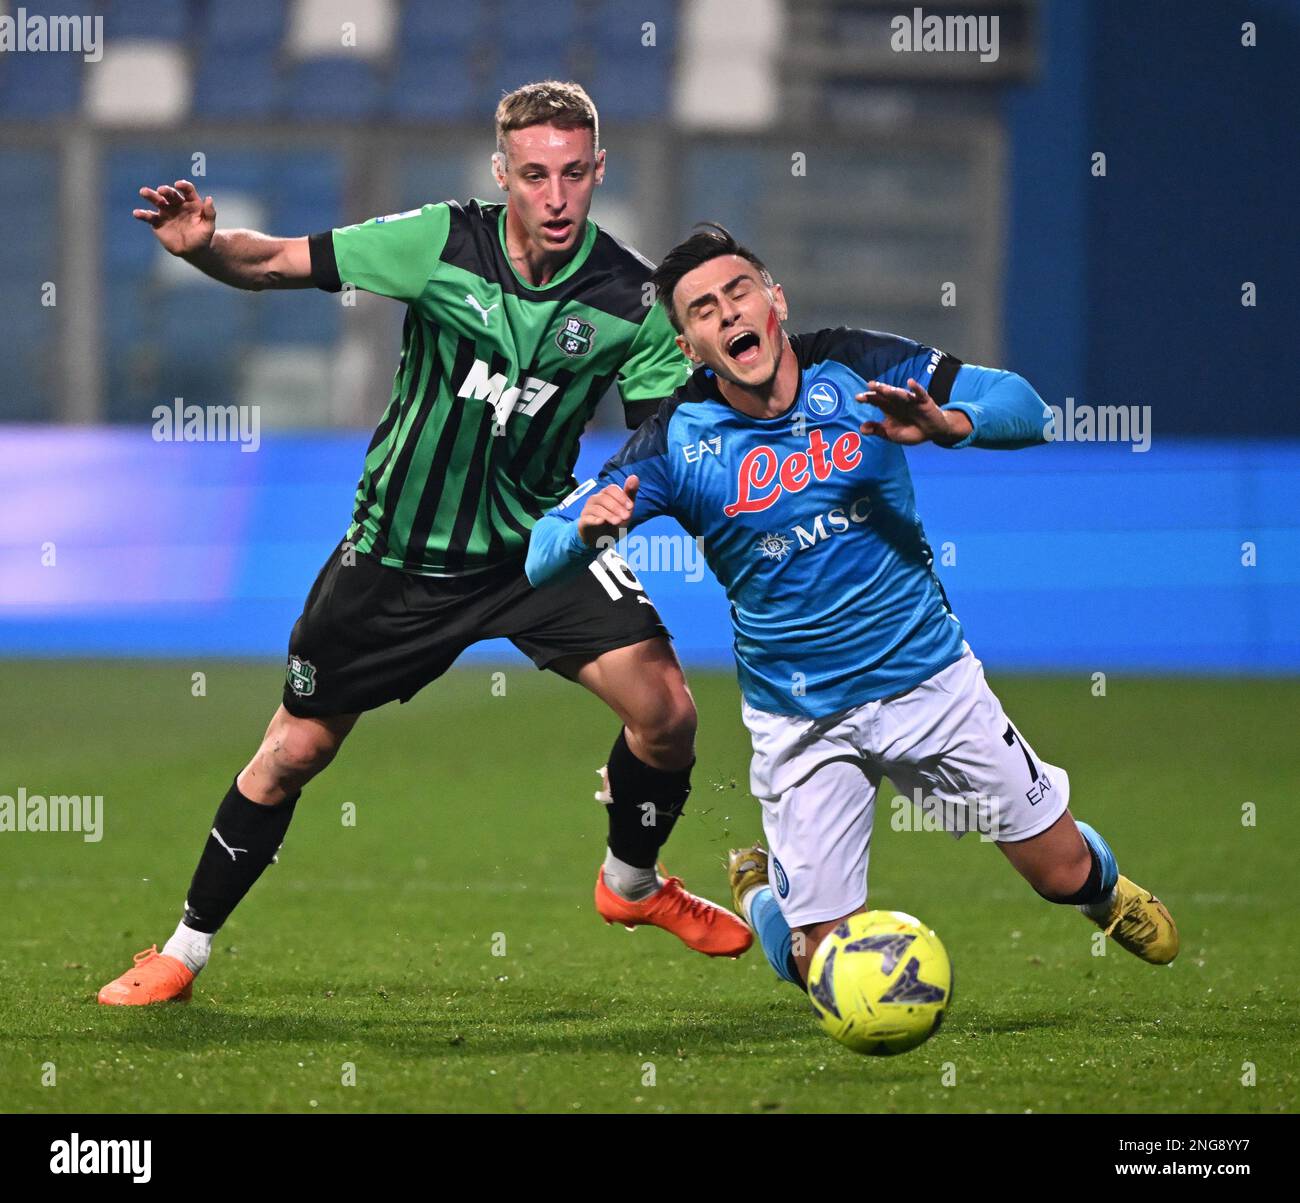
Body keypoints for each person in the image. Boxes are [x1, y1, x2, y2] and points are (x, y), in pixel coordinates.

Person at [99, 85, 751, 1008]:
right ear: (502, 177)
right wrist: (207, 247)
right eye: (535, 176)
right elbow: (278, 261)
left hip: (537, 548)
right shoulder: (441, 242)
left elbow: (661, 442)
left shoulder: (632, 301)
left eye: (574, 174)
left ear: (600, 172)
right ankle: (183, 948)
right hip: (399, 555)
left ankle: (632, 884)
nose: (557, 197)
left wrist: (628, 498)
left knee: (668, 713)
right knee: (291, 752)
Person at [525, 222, 1177, 993]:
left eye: (739, 292)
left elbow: (1026, 406)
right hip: (803, 721)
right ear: (689, 348)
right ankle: (764, 897)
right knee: (824, 971)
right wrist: (586, 529)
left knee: (1061, 871)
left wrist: (951, 424)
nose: (728, 314)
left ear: (776, 300)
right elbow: (543, 547)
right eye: (703, 310)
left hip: (929, 680)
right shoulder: (674, 439)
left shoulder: (859, 363)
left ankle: (1100, 889)